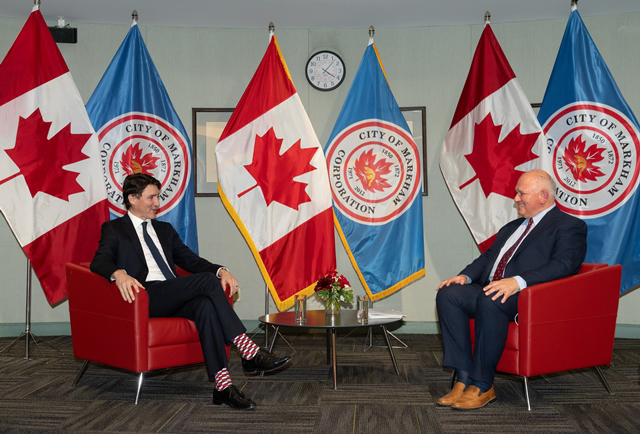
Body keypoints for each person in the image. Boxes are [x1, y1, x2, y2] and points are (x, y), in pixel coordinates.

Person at [90, 173, 290, 410]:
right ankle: (247, 349)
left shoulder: (164, 230)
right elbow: (99, 261)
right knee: (205, 283)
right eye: (151, 197)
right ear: (133, 198)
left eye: (158, 197)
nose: (157, 203)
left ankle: (223, 387)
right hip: (145, 296)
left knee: (205, 305)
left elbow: (190, 260)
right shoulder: (114, 229)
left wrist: (221, 271)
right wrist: (119, 274)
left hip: (171, 293)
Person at [435, 169, 587, 410]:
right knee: (449, 295)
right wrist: (464, 276)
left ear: (543, 196)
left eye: (521, 193)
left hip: (529, 296)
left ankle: (483, 385)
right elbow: (487, 259)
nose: (515, 198)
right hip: (493, 289)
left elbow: (565, 265)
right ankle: (463, 380)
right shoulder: (512, 227)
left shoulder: (569, 226)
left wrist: (517, 282)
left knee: (491, 299)